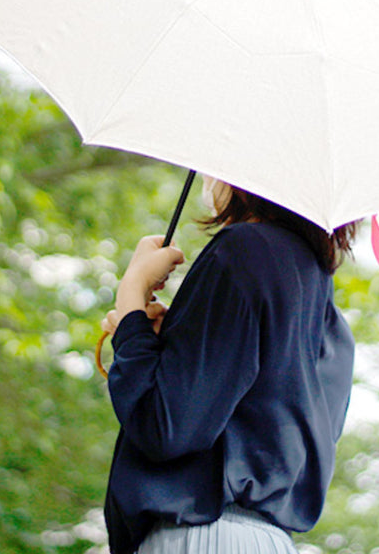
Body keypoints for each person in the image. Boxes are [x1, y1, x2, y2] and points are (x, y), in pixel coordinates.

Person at [101, 176, 359, 554]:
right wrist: (173, 338)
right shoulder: (325, 306)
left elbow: (165, 425)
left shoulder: (243, 251)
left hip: (201, 537)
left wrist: (132, 298)